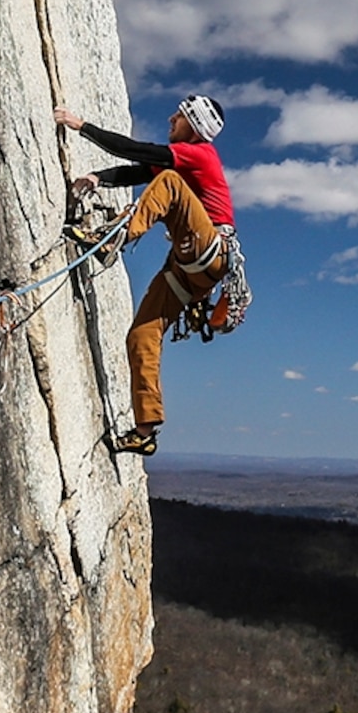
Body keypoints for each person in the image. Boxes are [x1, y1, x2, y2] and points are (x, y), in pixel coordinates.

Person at [57, 96, 237, 456]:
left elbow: (136, 150)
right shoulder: (185, 159)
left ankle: (112, 239)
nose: (172, 118)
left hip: (209, 249)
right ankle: (145, 430)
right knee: (142, 336)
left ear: (196, 127)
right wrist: (97, 178)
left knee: (169, 182)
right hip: (189, 270)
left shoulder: (199, 154)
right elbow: (138, 170)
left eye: (181, 116)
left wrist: (82, 126)